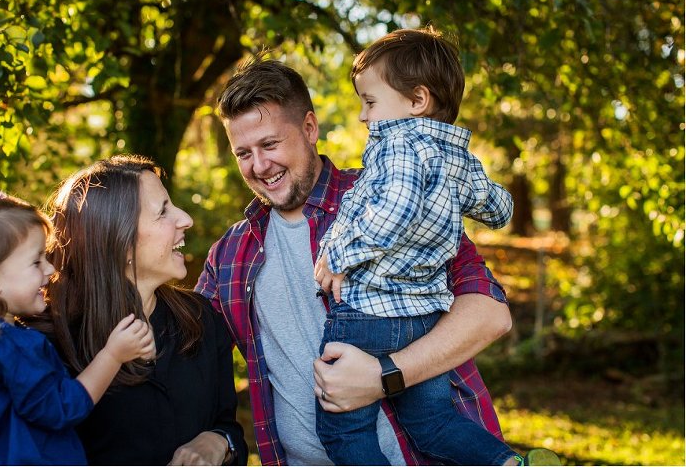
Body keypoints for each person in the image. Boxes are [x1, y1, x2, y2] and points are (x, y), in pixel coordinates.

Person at [196, 57, 517, 466]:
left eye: (270, 144)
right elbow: (188, 351)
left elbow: (491, 314)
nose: (260, 166)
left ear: (310, 128)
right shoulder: (229, 255)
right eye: (243, 153)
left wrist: (383, 377)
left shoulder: (385, 195)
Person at [311, 26, 525, 465]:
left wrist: (338, 254)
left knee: (342, 429)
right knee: (433, 424)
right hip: (425, 316)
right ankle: (505, 462)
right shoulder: (457, 157)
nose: (363, 117)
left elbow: (393, 213)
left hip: (369, 312)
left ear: (417, 101)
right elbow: (499, 208)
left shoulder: (400, 146)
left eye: (370, 102)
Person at [36, 155, 248, 465]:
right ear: (118, 240)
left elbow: (228, 426)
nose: (185, 218)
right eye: (163, 211)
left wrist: (217, 442)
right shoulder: (47, 344)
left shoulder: (201, 319)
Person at [0, 188, 155, 465]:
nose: (50, 270)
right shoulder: (13, 346)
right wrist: (113, 355)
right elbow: (63, 407)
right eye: (35, 261)